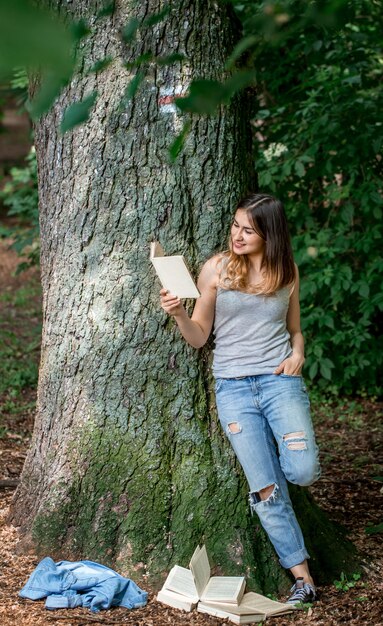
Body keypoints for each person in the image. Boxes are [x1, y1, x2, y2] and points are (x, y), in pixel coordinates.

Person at [160, 193, 321, 605]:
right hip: (234, 388)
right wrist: (179, 313)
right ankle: (302, 579)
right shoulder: (215, 269)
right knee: (265, 488)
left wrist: (298, 354)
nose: (237, 234)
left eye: (248, 229)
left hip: (279, 383)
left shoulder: (287, 272)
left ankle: (276, 460)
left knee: (301, 470)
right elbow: (199, 337)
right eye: (235, 226)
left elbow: (296, 330)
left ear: (269, 233)